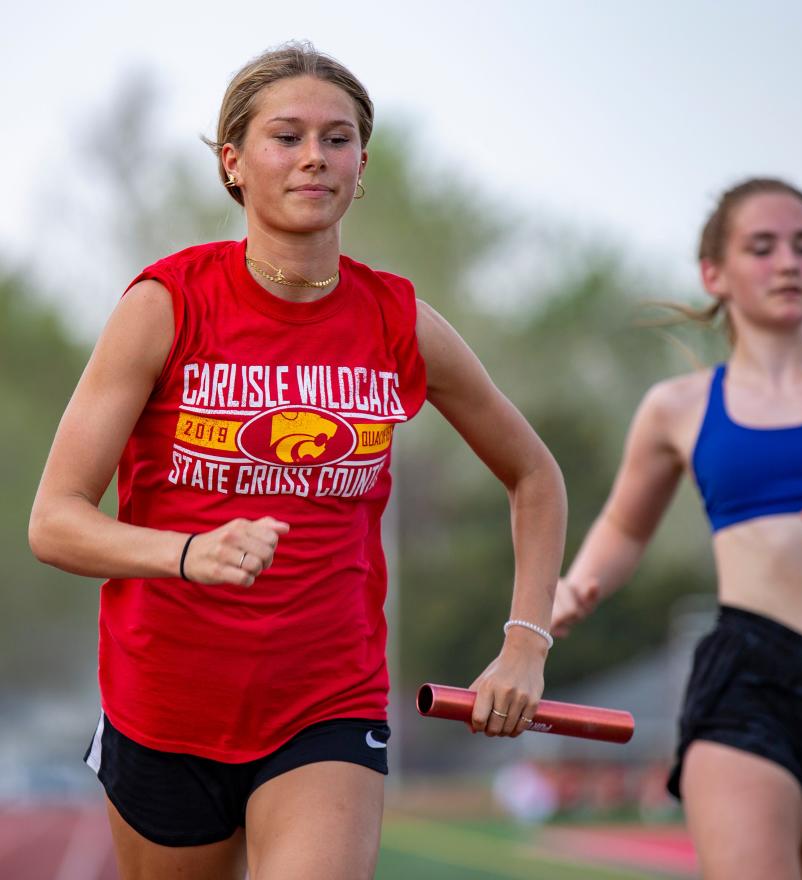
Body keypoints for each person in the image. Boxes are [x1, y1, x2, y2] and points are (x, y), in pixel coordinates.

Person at [29, 42, 566, 880]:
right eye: (288, 136)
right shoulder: (163, 306)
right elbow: (54, 522)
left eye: (339, 138)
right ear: (234, 164)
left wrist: (525, 643)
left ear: (361, 166)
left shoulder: (398, 320)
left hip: (328, 704)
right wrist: (183, 553)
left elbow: (534, 475)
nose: (316, 155)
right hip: (163, 705)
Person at [551, 177, 802, 880]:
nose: (788, 264)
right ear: (716, 273)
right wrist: (577, 584)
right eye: (762, 247)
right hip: (750, 680)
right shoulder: (676, 406)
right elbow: (623, 525)